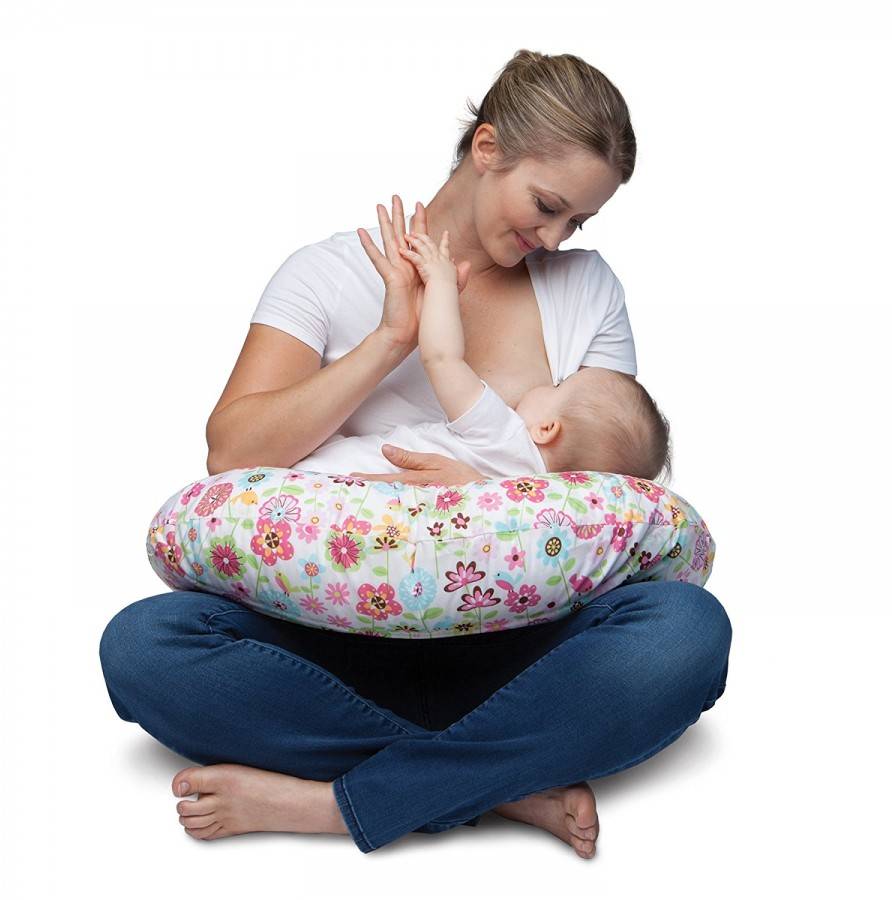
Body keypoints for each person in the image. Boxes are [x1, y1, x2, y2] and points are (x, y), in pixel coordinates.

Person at [98, 49, 732, 859]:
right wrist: (390, 339)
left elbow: (607, 493)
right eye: (546, 206)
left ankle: (340, 803)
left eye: (576, 222)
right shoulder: (326, 274)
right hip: (327, 643)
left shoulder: (586, 290)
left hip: (519, 645)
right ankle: (501, 778)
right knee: (145, 646)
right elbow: (233, 450)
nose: (553, 236)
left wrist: (487, 495)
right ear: (487, 147)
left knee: (684, 632)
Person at [293, 224, 671, 481]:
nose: (550, 383)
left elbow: (442, 358)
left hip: (324, 479)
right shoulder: (528, 501)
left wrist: (441, 283)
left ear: (546, 429)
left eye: (559, 387)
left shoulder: (503, 435)